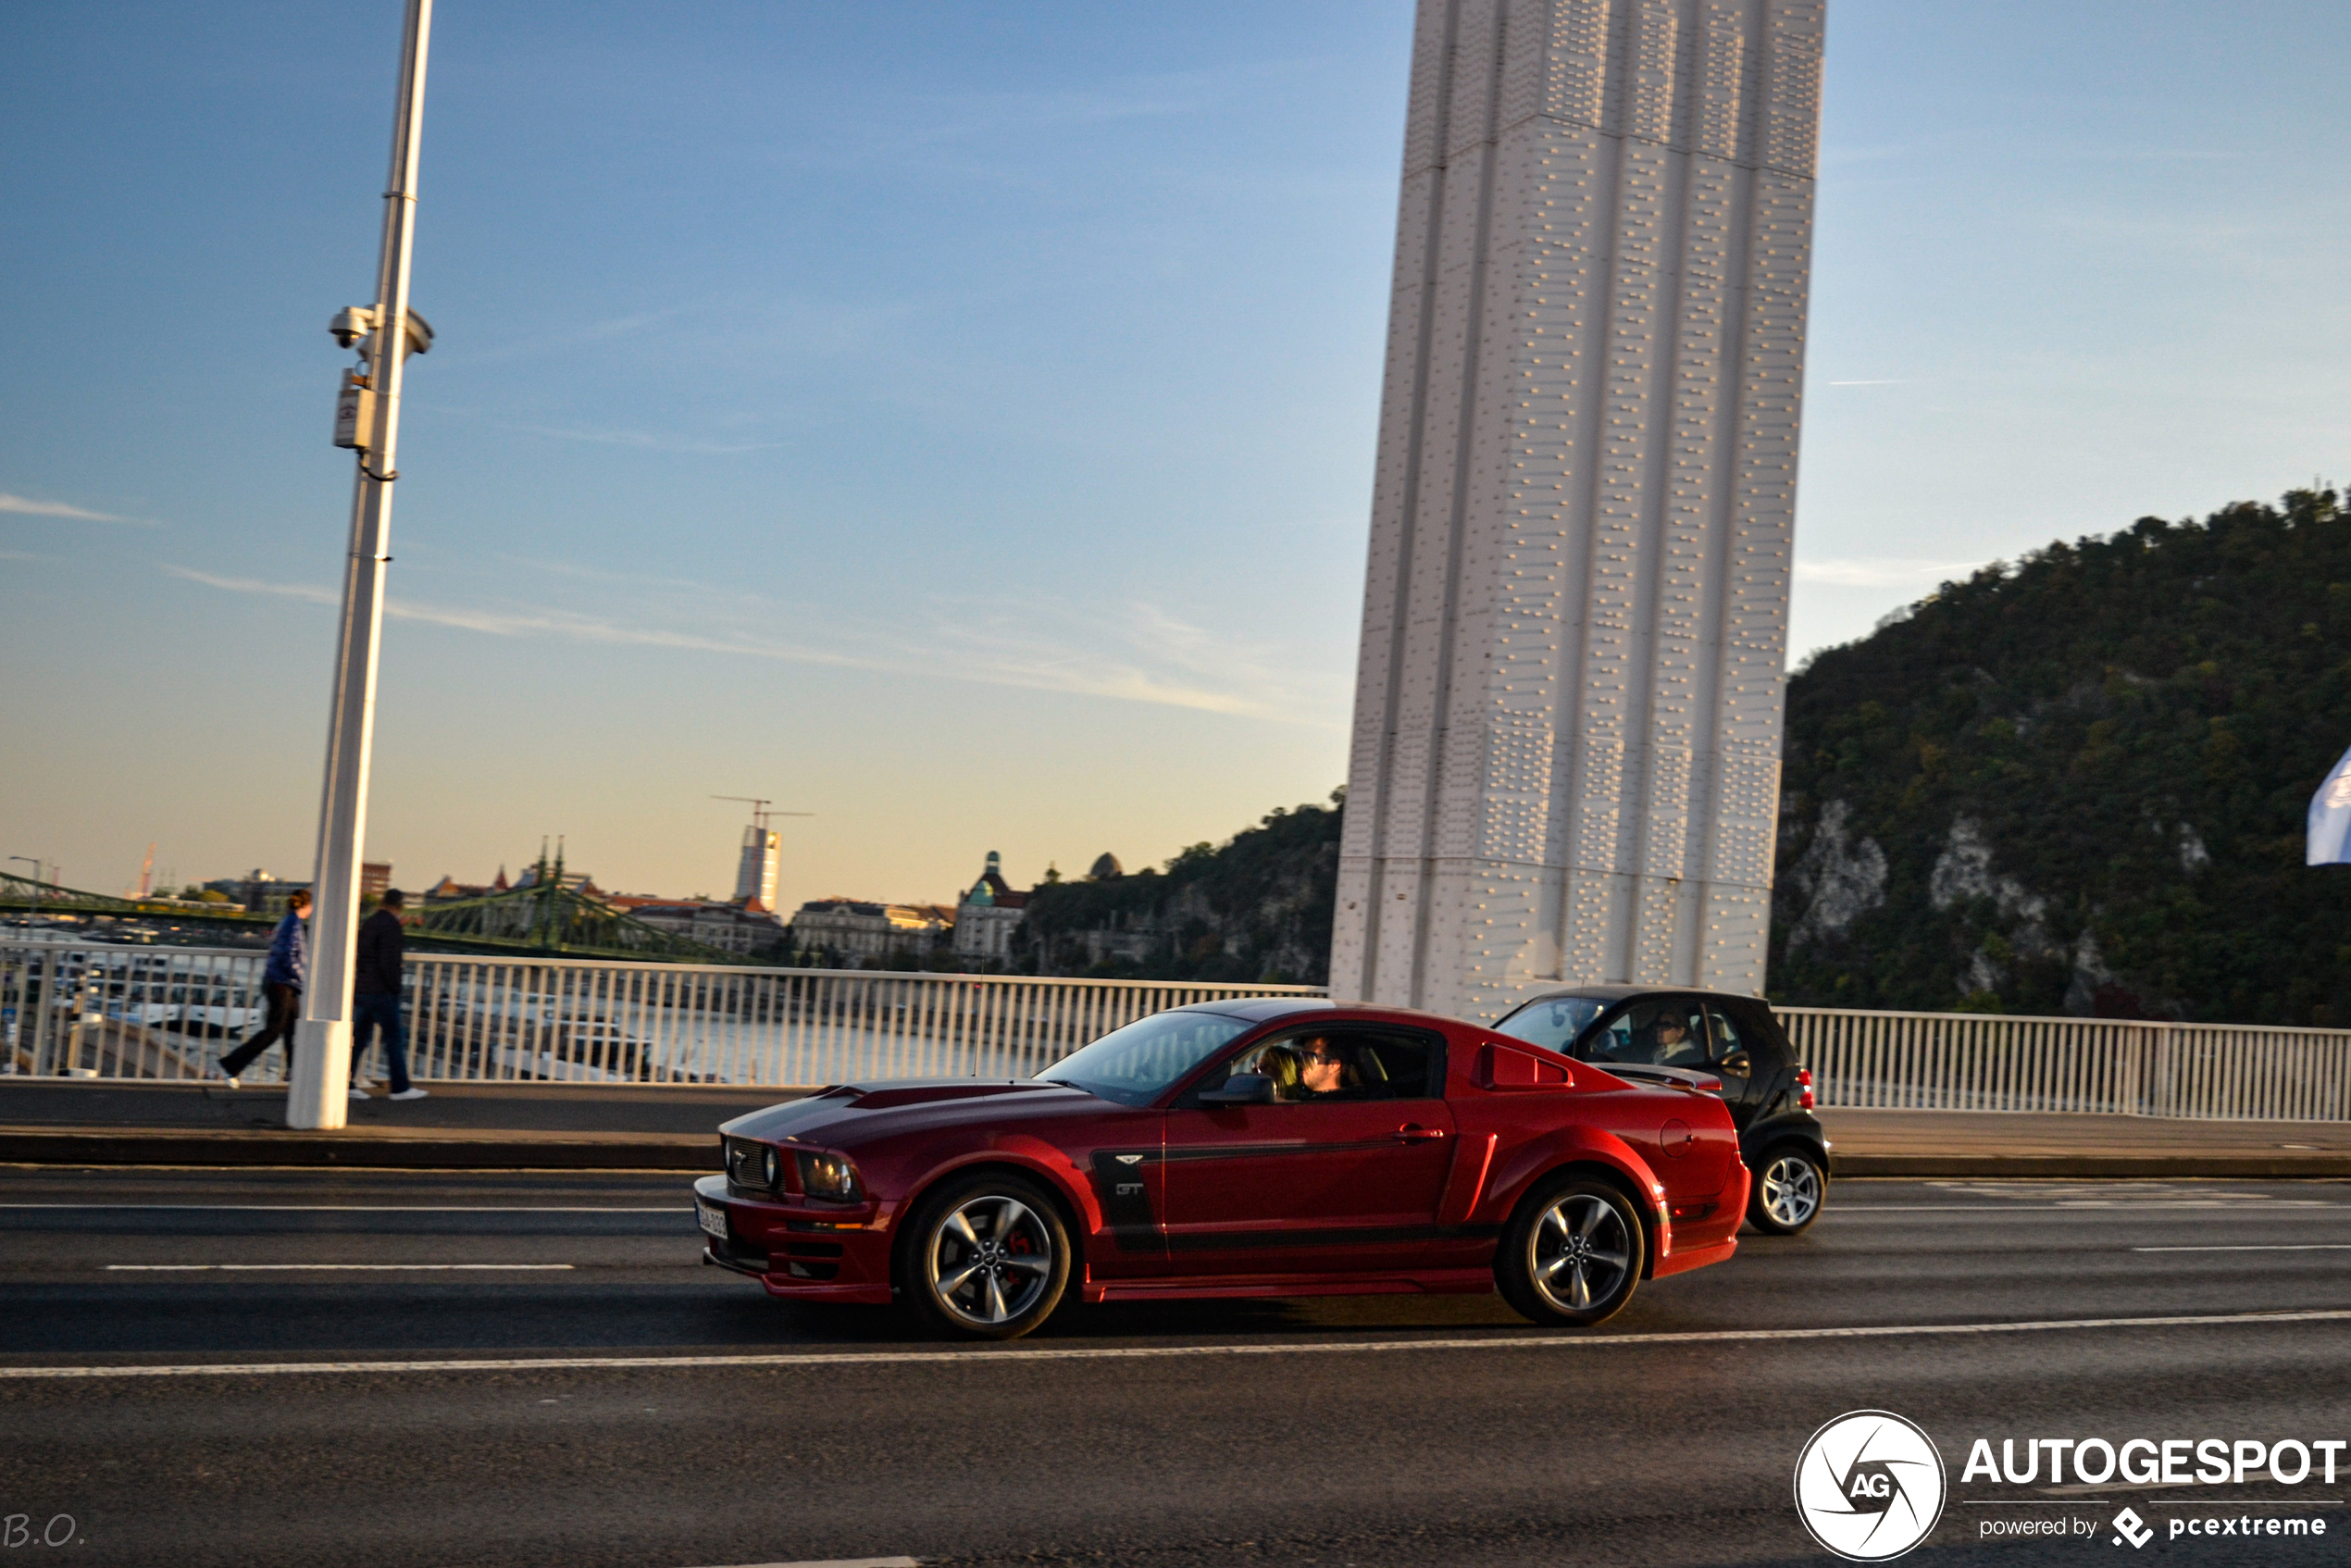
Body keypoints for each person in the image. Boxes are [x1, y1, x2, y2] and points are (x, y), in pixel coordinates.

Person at [218, 889, 310, 1087]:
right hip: (283, 984)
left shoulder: (288, 922)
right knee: (274, 1031)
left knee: (293, 1029)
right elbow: (288, 957)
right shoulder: (294, 924)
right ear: (307, 905)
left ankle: (295, 1072)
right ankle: (232, 1065)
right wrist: (304, 977)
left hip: (283, 983)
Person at [352, 888, 426, 1101]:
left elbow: (362, 956)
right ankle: (400, 1088)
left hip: (364, 989)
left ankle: (346, 1084)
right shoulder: (392, 926)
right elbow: (389, 962)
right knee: (394, 1039)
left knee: (358, 1040)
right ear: (399, 906)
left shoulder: (370, 922)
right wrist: (395, 987)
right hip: (383, 992)